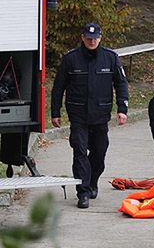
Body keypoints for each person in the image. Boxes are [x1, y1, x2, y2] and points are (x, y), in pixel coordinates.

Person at [51, 23, 129, 209]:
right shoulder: (71, 59)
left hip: (100, 115)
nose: (91, 41)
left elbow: (121, 84)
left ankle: (93, 181)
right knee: (79, 153)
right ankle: (83, 192)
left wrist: (122, 109)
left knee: (99, 154)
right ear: (82, 38)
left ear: (100, 38)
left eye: (94, 38)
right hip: (78, 115)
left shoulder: (110, 58)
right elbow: (58, 87)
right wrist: (55, 112)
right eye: (88, 38)